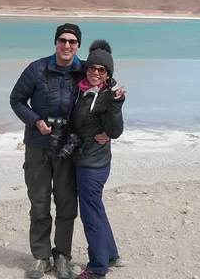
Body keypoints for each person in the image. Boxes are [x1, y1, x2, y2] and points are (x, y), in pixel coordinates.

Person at [10, 23, 85, 279]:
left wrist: (117, 98)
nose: (66, 45)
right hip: (38, 147)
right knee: (39, 204)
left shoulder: (84, 71)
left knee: (66, 205)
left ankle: (62, 255)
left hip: (67, 149)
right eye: (62, 40)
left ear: (78, 46)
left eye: (72, 42)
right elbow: (16, 100)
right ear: (55, 42)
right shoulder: (36, 69)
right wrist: (35, 121)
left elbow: (104, 87)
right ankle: (41, 257)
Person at [70, 40, 125, 279]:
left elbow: (115, 130)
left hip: (93, 164)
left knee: (90, 214)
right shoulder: (82, 90)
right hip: (86, 158)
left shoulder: (107, 96)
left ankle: (97, 268)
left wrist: (115, 104)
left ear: (108, 74)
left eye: (102, 70)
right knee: (97, 209)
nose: (96, 72)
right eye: (92, 68)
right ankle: (110, 254)